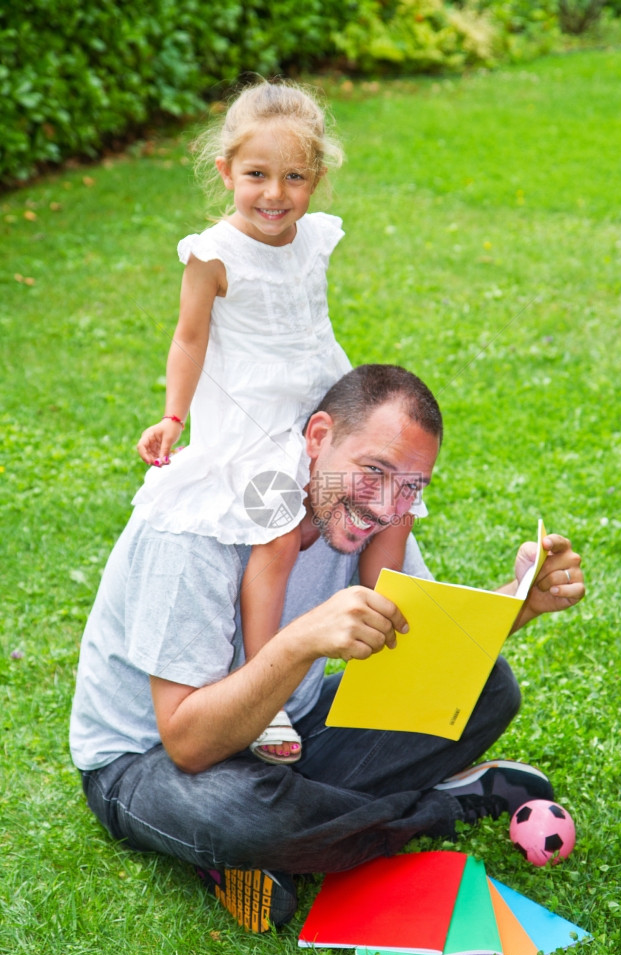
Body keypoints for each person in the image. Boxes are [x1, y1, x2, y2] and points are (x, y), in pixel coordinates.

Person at [70, 364, 585, 934]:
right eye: (374, 470)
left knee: (487, 686)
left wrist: (520, 600)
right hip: (150, 764)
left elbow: (421, 645)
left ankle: (295, 836)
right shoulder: (194, 527)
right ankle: (442, 807)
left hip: (292, 726)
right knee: (239, 814)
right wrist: (300, 641)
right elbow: (188, 743)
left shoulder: (372, 518)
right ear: (318, 438)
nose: (387, 503)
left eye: (412, 485)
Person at [133, 80, 419, 767]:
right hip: (254, 419)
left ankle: (387, 648)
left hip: (322, 399)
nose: (275, 193)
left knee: (394, 503)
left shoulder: (314, 239)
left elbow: (310, 325)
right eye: (257, 175)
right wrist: (174, 414)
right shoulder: (213, 254)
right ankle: (270, 691)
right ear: (227, 171)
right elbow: (190, 339)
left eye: (295, 177)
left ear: (316, 178)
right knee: (277, 536)